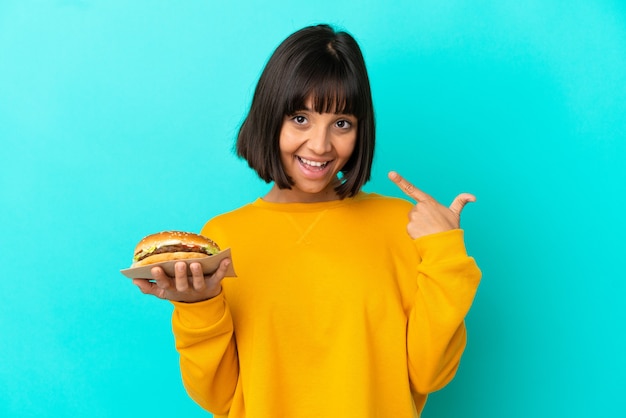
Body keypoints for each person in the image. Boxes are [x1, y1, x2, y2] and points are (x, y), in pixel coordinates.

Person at [133, 24, 481, 418]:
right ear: (270, 117)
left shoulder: (403, 225)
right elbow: (220, 398)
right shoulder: (225, 237)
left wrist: (445, 254)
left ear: (360, 129)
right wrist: (199, 308)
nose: (320, 145)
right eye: (300, 119)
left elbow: (428, 376)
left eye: (342, 123)